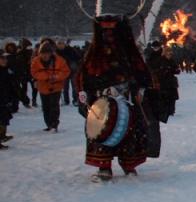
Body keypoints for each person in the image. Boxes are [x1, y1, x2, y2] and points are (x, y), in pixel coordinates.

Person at [76, 15, 152, 180]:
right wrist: (82, 90)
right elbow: (84, 74)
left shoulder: (128, 51)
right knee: (103, 130)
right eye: (105, 30)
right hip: (101, 98)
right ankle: (104, 167)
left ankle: (129, 164)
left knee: (130, 134)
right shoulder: (94, 53)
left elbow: (141, 72)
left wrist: (140, 89)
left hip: (127, 97)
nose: (108, 34)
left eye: (112, 30)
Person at [30, 39, 71, 132]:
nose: (45, 55)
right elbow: (33, 72)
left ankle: (54, 124)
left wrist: (56, 77)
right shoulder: (35, 61)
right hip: (43, 87)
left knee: (54, 106)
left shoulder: (60, 60)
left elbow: (66, 71)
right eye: (43, 53)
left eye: (47, 53)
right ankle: (49, 124)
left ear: (51, 53)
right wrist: (47, 77)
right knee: (46, 107)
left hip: (56, 87)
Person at [56, 38, 81, 106]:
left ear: (64, 44)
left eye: (62, 43)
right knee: (65, 87)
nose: (60, 45)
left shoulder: (70, 50)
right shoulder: (56, 52)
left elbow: (78, 58)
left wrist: (75, 64)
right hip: (63, 72)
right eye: (59, 44)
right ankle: (66, 101)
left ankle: (75, 100)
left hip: (73, 71)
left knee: (74, 87)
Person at [0, 51, 16, 148]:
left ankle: (2, 136)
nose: (5, 60)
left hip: (5, 98)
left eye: (6, 58)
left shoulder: (6, 69)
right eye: (2, 58)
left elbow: (11, 85)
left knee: (5, 118)